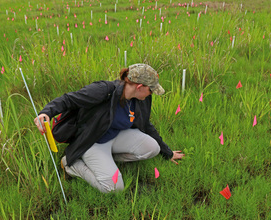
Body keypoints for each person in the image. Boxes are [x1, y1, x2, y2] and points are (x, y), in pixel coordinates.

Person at [34, 63, 184, 193]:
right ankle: (71, 166)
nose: (152, 93)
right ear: (139, 87)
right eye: (151, 90)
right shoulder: (103, 90)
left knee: (153, 148)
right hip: (93, 141)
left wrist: (168, 153)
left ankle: (107, 161)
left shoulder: (140, 99)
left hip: (115, 136)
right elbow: (69, 99)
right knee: (113, 189)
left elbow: (146, 125)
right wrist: (46, 112)